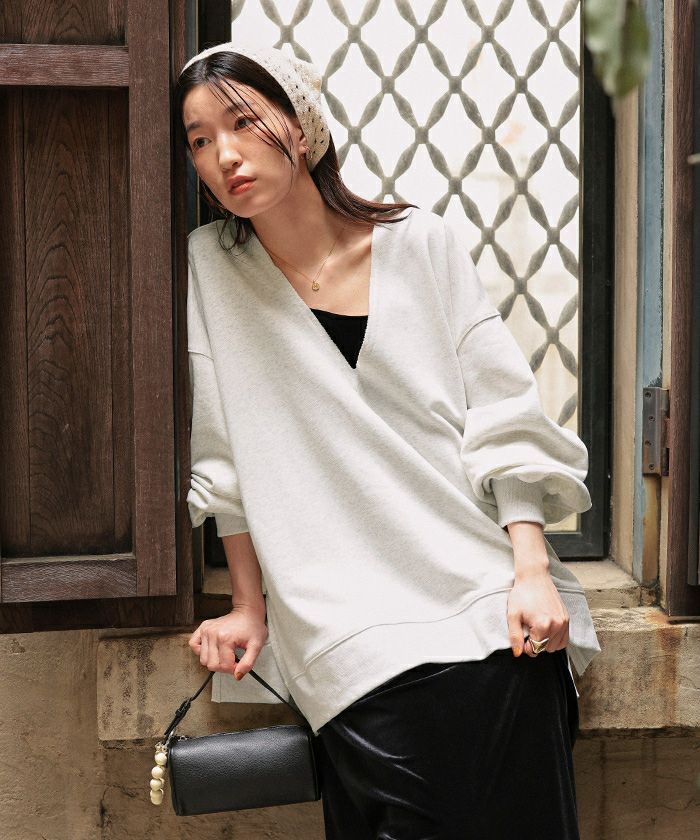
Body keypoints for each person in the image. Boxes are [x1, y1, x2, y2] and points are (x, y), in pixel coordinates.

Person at [174, 41, 601, 839]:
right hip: (347, 626)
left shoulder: (420, 243)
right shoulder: (210, 270)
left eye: (242, 122)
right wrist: (246, 605)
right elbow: (223, 457)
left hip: (483, 599)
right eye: (200, 140)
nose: (223, 155)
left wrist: (531, 571)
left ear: (299, 122)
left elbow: (503, 414)